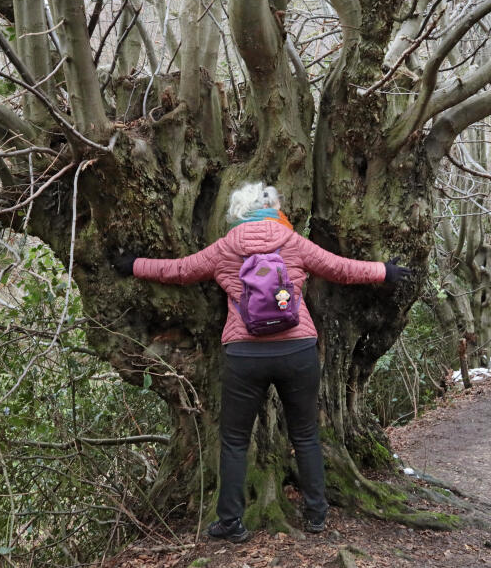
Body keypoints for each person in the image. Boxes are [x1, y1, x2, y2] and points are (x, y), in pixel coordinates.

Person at [109, 182, 412, 543]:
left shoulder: (225, 248)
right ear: (274, 209)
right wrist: (384, 272)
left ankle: (232, 521)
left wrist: (133, 265)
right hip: (298, 349)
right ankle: (316, 514)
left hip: (244, 354)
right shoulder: (292, 241)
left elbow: (179, 270)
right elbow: (340, 268)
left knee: (235, 440)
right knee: (305, 434)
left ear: (238, 212)